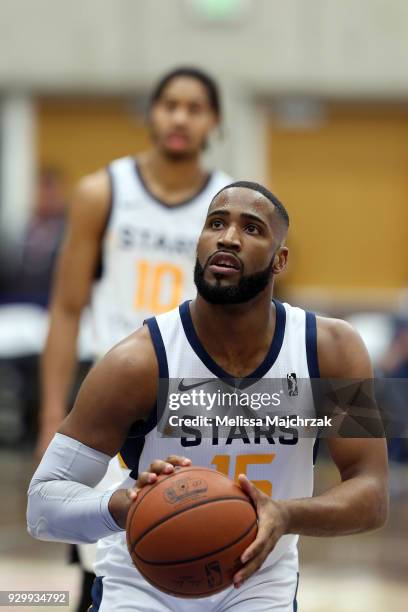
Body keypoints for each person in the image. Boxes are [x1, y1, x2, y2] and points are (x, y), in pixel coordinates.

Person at [28, 182, 389, 611]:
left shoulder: (330, 350)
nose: (228, 237)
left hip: (259, 581)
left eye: (252, 228)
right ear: (198, 243)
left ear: (281, 260)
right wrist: (127, 506)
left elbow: (371, 492)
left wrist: (286, 514)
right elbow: (42, 503)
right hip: (143, 582)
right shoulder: (137, 363)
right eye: (216, 223)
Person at [35, 67, 232, 609]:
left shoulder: (229, 202)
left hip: (198, 398)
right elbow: (67, 308)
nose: (179, 117)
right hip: (113, 394)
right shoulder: (102, 192)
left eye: (195, 108)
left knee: (194, 542)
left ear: (213, 121)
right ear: (151, 113)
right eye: (169, 104)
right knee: (102, 556)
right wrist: (52, 415)